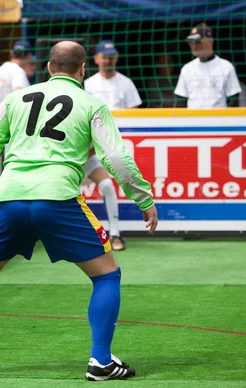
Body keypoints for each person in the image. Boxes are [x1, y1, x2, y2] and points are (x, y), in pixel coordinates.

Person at [0, 41, 158, 381]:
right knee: (107, 275)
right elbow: (117, 158)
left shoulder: (15, 98)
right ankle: (100, 362)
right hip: (58, 200)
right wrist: (144, 199)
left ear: (49, 68)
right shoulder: (92, 104)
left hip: (10, 198)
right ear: (83, 70)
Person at [83, 40, 142, 250]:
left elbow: (136, 115)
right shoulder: (87, 84)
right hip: (76, 155)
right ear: (96, 59)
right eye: (104, 56)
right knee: (64, 194)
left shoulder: (125, 82)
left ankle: (115, 234)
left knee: (107, 185)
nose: (108, 60)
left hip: (100, 149)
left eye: (111, 56)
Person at [174, 23, 242, 109]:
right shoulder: (187, 69)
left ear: (210, 41)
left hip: (218, 119)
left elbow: (234, 99)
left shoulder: (226, 67)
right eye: (191, 42)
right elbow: (180, 100)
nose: (194, 45)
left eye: (198, 41)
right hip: (193, 120)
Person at [0, 40, 33, 106]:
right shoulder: (19, 72)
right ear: (29, 56)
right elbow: (18, 94)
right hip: (11, 114)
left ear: (12, 53)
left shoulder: (1, 68)